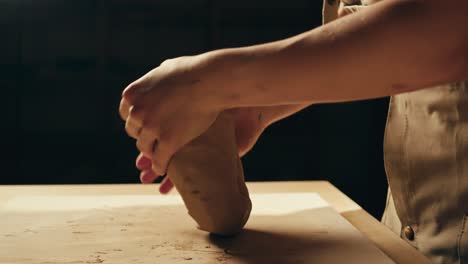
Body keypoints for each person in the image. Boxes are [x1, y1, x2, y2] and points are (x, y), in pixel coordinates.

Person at [119, 0, 468, 263]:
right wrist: (257, 108)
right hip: (403, 240)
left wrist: (215, 83)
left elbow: (450, 26)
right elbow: (371, 24)